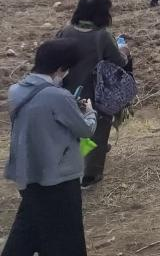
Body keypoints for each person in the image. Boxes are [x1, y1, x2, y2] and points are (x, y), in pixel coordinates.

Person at [3, 38, 97, 256]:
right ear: (61, 68)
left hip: (27, 172)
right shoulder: (58, 96)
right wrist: (89, 112)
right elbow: (84, 130)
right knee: (66, 234)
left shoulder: (15, 91)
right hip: (58, 176)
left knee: (30, 226)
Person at [56, 0, 131, 188]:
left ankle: (70, 160)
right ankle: (91, 174)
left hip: (66, 89)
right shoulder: (102, 36)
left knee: (72, 127)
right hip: (95, 92)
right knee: (98, 128)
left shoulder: (66, 30)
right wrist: (124, 50)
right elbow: (118, 62)